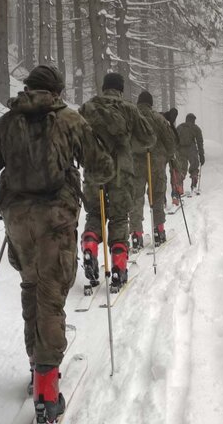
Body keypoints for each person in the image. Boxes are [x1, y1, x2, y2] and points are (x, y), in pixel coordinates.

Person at [0, 65, 114, 423]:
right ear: (58, 91)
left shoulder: (7, 123)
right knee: (51, 294)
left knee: (31, 288)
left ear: (29, 87)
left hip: (18, 220)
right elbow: (103, 167)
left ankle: (36, 368)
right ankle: (47, 393)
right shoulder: (69, 120)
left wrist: (1, 204)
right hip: (55, 217)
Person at [79, 73, 155, 290]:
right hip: (122, 172)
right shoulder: (129, 109)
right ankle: (119, 267)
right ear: (120, 89)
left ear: (104, 87)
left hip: (94, 171)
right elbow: (149, 137)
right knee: (120, 217)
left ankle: (90, 245)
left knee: (94, 213)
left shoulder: (87, 107)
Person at [130, 91, 177, 249]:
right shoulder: (158, 118)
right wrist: (168, 157)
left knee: (136, 198)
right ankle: (159, 231)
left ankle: (136, 236)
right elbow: (170, 142)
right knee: (157, 195)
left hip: (135, 163)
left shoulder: (131, 117)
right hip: (156, 162)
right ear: (151, 104)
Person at [176, 113, 205, 192]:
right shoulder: (195, 128)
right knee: (194, 166)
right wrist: (201, 155)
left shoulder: (180, 127)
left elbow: (174, 139)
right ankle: (194, 182)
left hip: (180, 149)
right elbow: (200, 142)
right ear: (193, 120)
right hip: (191, 149)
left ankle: (180, 186)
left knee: (181, 168)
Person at [162, 107, 183, 207]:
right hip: (167, 150)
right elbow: (175, 138)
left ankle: (162, 199)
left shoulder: (159, 117)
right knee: (175, 169)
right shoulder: (167, 121)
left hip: (156, 151)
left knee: (160, 174)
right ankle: (175, 195)